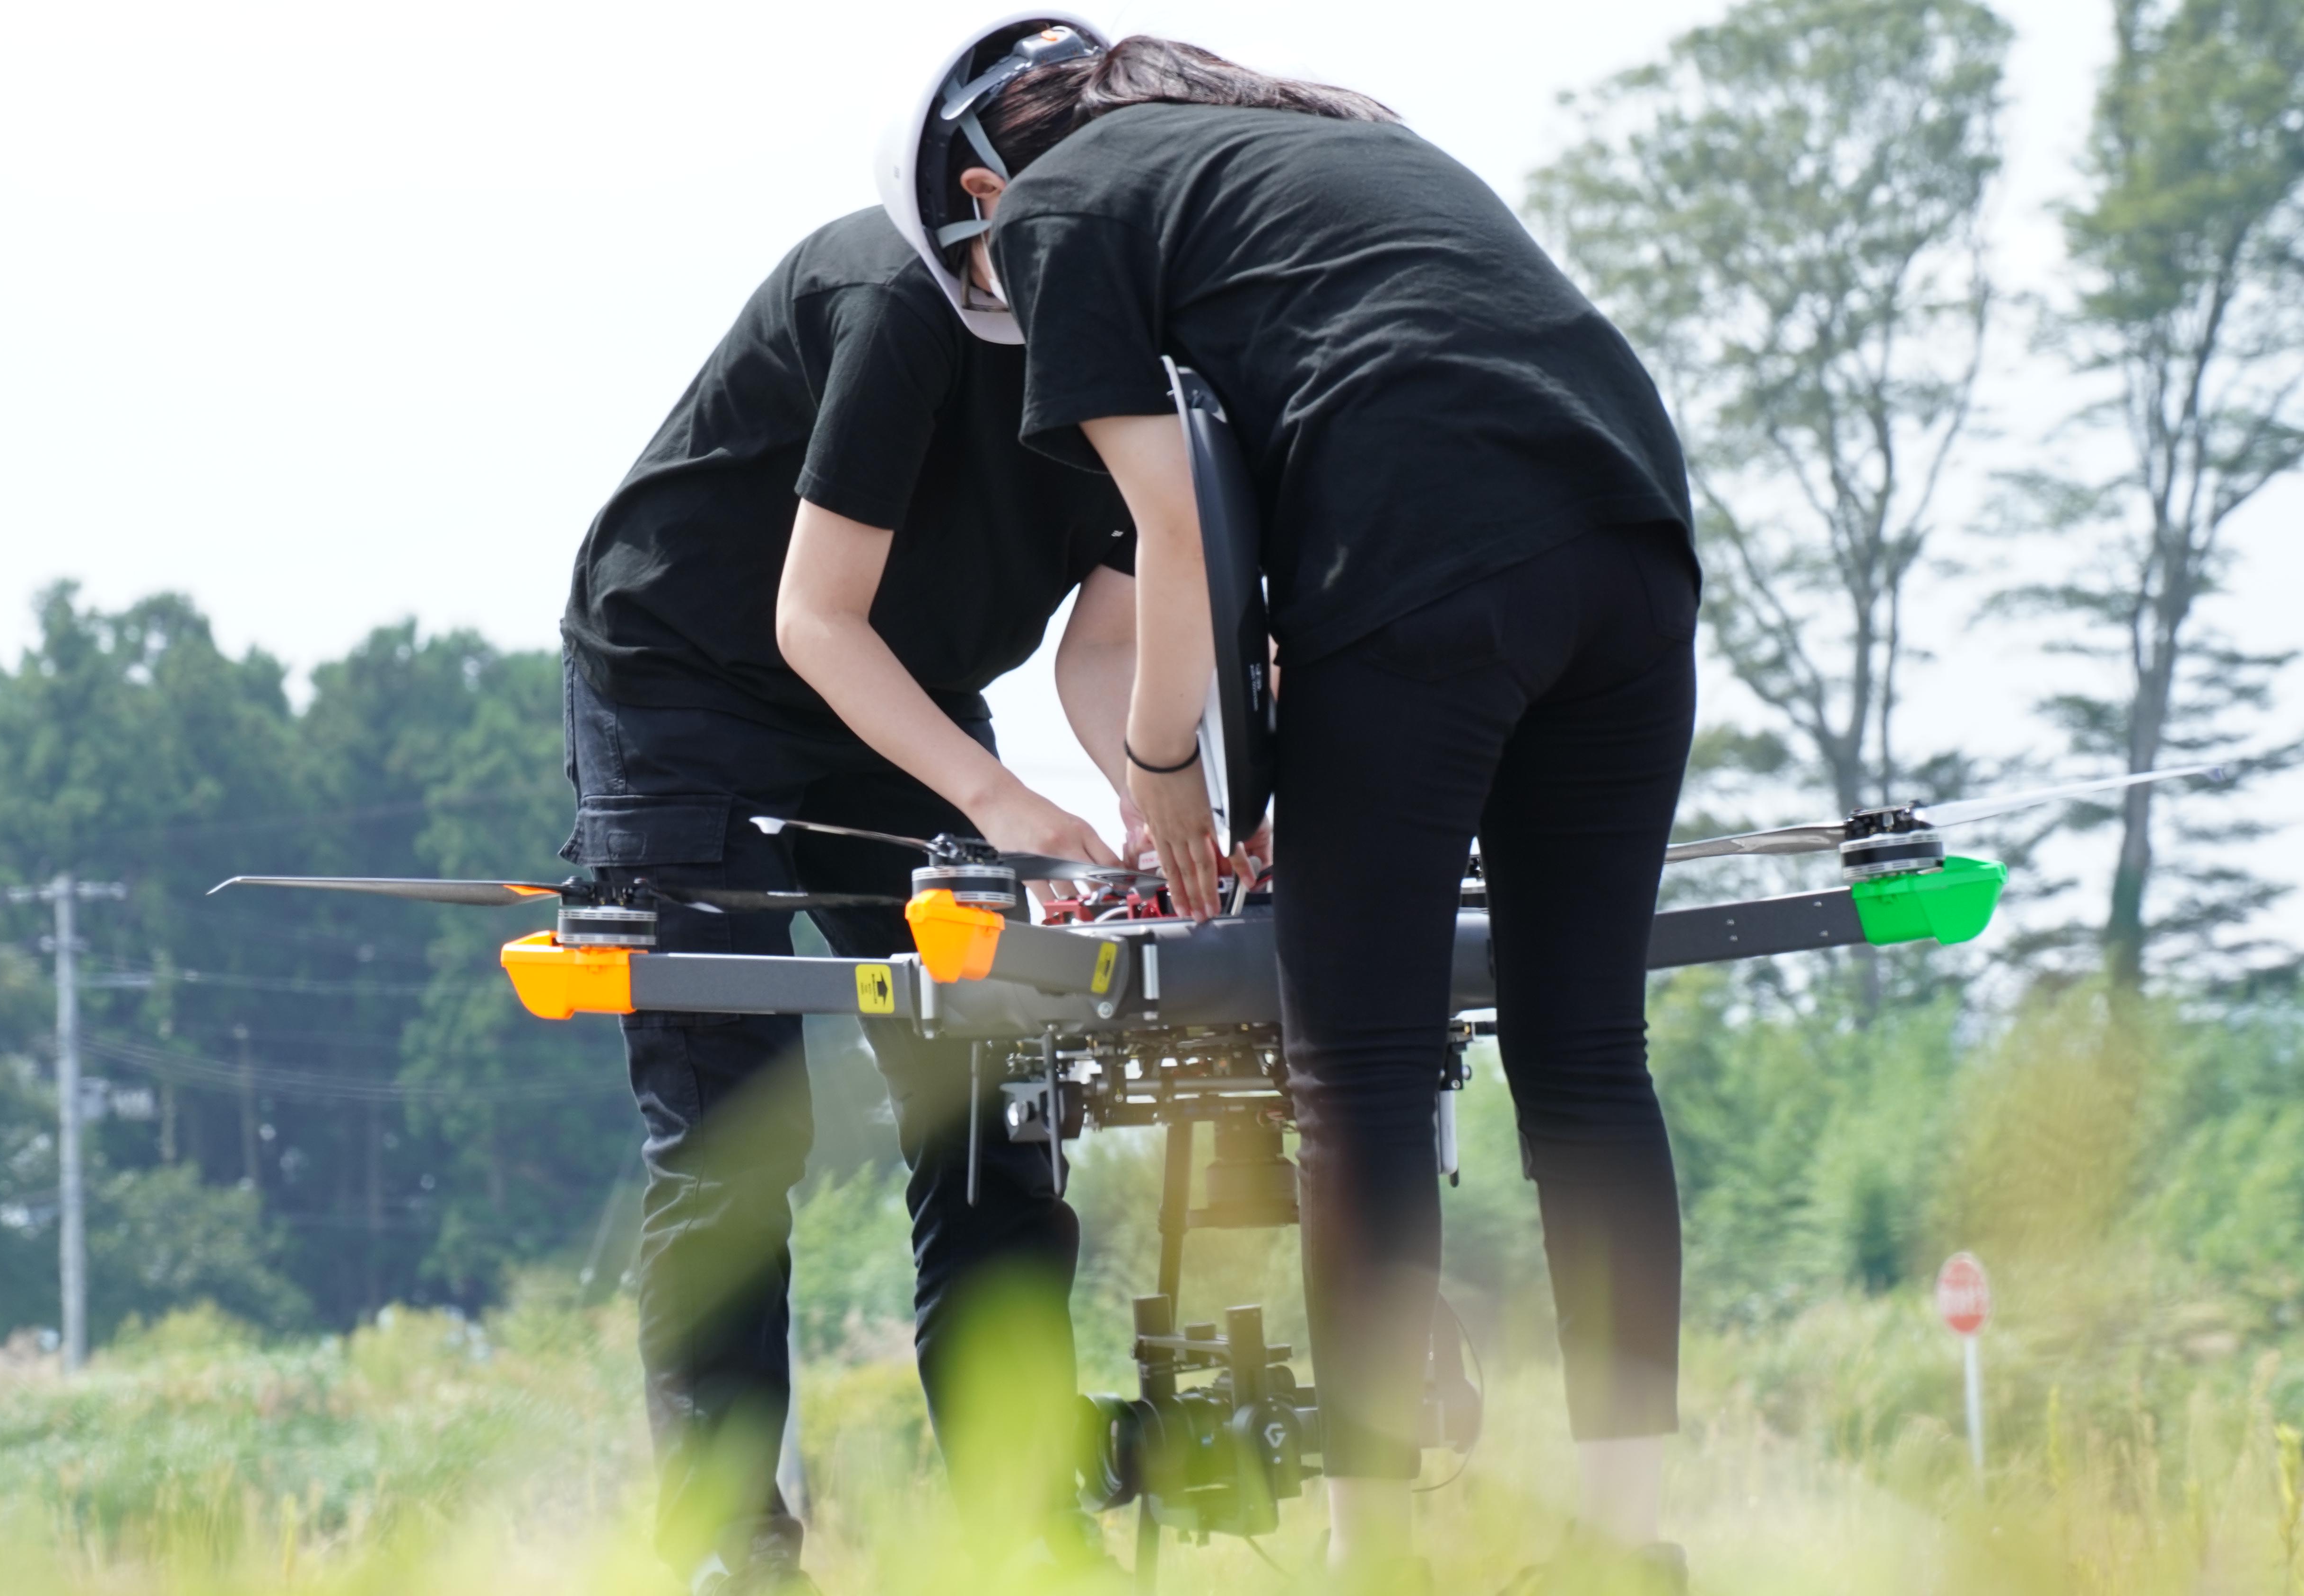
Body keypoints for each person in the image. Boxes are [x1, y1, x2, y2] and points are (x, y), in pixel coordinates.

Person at [949, 34, 1702, 1596]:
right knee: (1587, 1061)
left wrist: (1166, 766)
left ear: (980, 189)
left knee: (1354, 1074)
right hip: (1633, 540)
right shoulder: (1318, 145)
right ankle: (1632, 1547)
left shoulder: (1055, 208)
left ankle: (1380, 1561)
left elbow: (1174, 528)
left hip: (1427, 556)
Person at [558, 18, 1139, 1592]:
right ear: (984, 203)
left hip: (910, 693)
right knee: (738, 1131)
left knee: (992, 1105)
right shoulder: (897, 299)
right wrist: (1000, 801)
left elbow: (1106, 645)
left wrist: (1157, 809)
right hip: (693, 684)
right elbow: (814, 622)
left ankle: (1026, 1529)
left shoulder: (1142, 346)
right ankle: (734, 1555)